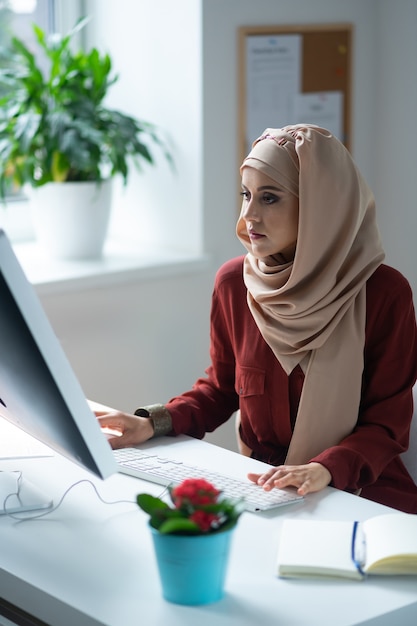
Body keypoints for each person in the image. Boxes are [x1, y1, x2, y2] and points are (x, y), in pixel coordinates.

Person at [97, 124, 417, 514]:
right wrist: (151, 423)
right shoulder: (235, 284)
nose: (248, 215)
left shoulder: (383, 294)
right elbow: (221, 388)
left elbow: (388, 426)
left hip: (364, 489)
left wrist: (324, 468)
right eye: (246, 195)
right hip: (263, 486)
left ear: (319, 206)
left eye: (269, 198)